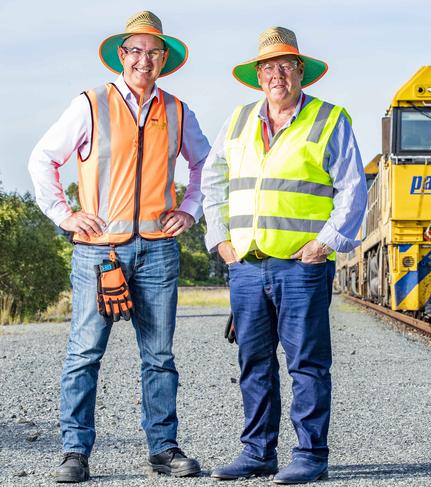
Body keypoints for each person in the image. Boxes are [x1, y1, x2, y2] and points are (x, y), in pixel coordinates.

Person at [28, 11, 210, 483]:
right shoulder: (90, 103)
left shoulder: (176, 109)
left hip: (158, 250)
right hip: (98, 251)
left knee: (159, 356)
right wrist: (64, 215)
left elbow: (207, 166)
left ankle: (164, 449)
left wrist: (190, 209)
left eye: (153, 52)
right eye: (136, 50)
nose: (144, 60)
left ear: (164, 59)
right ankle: (75, 452)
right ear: (121, 55)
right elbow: (42, 158)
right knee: (85, 352)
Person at [202, 26, 367, 484]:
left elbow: (354, 188)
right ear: (258, 75)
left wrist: (326, 243)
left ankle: (311, 457)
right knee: (253, 363)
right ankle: (258, 453)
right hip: (247, 267)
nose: (277, 75)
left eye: (286, 66)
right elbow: (212, 184)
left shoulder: (329, 120)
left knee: (307, 363)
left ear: (301, 73)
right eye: (269, 67)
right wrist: (220, 241)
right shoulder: (236, 122)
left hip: (302, 267)